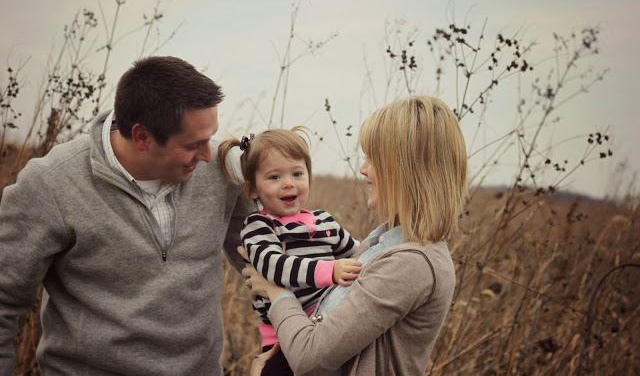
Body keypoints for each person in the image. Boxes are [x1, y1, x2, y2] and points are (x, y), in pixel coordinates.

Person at [0, 56, 252, 375]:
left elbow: (267, 262)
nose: (207, 155)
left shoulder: (221, 170)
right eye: (192, 145)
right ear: (141, 137)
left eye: (210, 137)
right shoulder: (50, 184)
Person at [242, 95, 468, 375]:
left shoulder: (412, 264)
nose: (363, 169)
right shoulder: (383, 243)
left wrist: (274, 290)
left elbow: (309, 357)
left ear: (407, 169)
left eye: (373, 159)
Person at [217, 127, 362, 375]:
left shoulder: (324, 221)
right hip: (283, 340)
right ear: (252, 189)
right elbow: (274, 267)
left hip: (326, 328)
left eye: (297, 173)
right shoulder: (259, 226)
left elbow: (357, 253)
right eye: (274, 177)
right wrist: (331, 270)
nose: (288, 184)